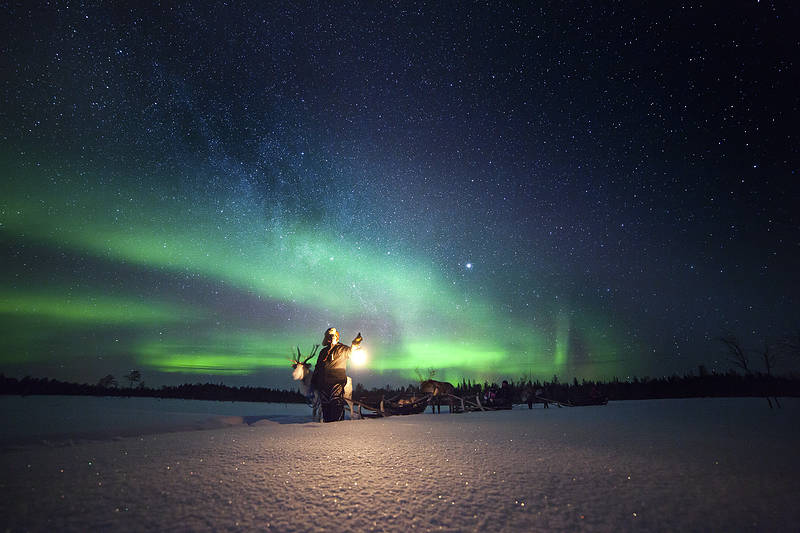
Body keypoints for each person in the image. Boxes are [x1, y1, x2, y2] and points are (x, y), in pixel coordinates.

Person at [312, 327, 361, 422]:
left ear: (336, 337)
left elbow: (350, 352)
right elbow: (317, 367)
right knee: (325, 405)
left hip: (337, 381)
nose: (331, 338)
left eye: (332, 336)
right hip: (323, 383)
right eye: (329, 337)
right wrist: (314, 381)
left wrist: (355, 344)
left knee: (336, 402)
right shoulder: (323, 352)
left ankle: (337, 427)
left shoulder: (342, 349)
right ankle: (328, 427)